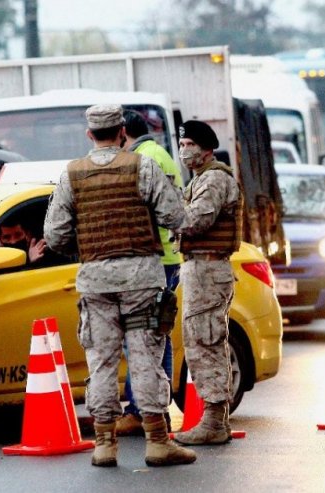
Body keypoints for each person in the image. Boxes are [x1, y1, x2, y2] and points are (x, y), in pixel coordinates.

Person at [43, 104, 195, 468]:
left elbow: (54, 234)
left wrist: (87, 246)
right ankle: (157, 441)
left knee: (101, 362)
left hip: (95, 282)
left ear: (89, 134)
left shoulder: (72, 174)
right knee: (145, 359)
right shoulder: (143, 166)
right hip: (141, 278)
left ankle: (104, 444)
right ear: (122, 132)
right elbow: (176, 216)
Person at [172, 120, 243, 446]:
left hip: (208, 270)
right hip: (202, 270)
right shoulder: (201, 178)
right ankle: (215, 420)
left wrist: (167, 210)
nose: (184, 150)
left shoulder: (214, 179)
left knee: (205, 342)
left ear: (207, 149)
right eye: (182, 144)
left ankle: (214, 421)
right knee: (203, 341)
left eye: (190, 145)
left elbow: (195, 220)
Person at [114, 110, 184, 436]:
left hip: (151, 258)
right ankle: (155, 409)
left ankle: (141, 410)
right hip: (167, 256)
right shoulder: (159, 154)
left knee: (142, 337)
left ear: (124, 134)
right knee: (158, 336)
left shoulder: (142, 159)